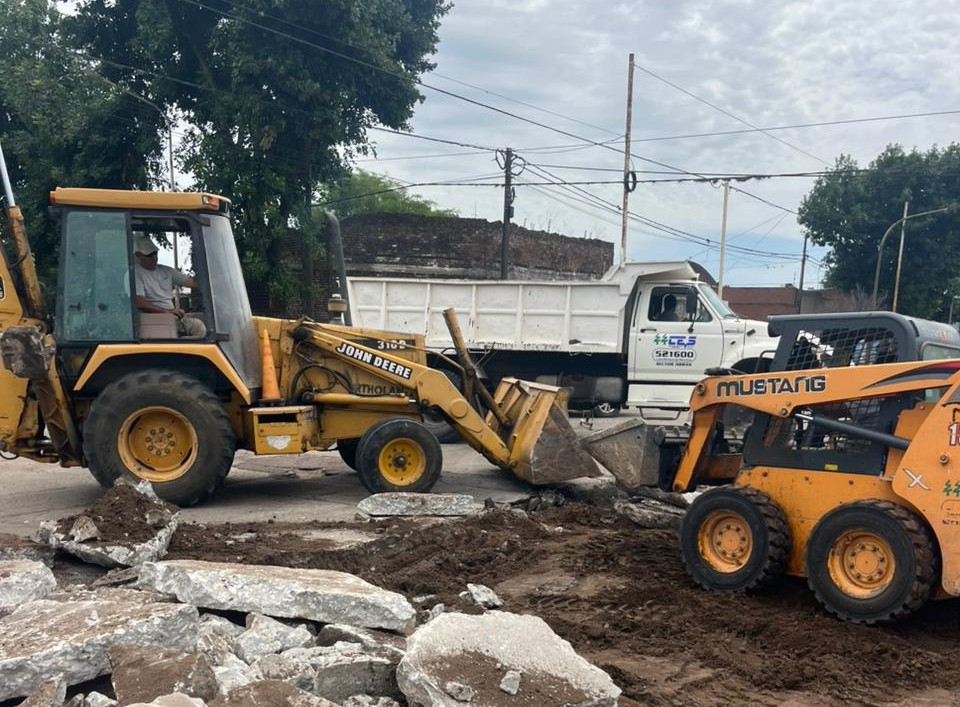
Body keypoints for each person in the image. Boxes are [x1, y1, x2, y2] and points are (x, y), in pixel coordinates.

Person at [133, 234, 206, 337]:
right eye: (149, 255)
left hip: (171, 316)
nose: (154, 258)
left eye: (155, 253)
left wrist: (217, 280)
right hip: (154, 320)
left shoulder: (166, 271)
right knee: (196, 327)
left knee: (202, 321)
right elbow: (140, 302)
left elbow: (193, 283)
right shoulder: (135, 273)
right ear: (138, 255)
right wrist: (167, 311)